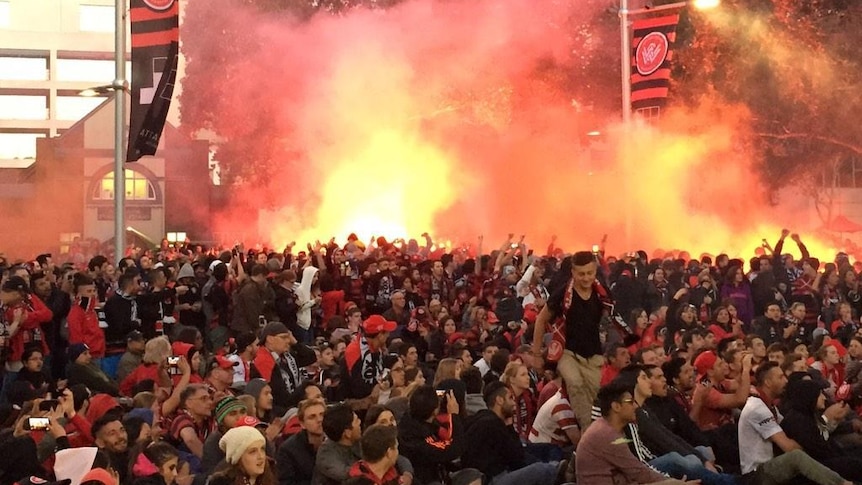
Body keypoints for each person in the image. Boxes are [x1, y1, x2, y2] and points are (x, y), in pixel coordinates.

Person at [532, 251, 613, 431]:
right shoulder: (562, 294)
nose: (586, 278)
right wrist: (536, 354)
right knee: (575, 384)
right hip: (566, 351)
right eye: (581, 274)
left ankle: (599, 432)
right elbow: (541, 319)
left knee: (595, 396)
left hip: (593, 354)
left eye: (590, 273)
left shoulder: (601, 293)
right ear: (573, 273)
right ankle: (588, 434)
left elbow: (612, 319)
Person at [737, 361, 852, 485]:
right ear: (768, 382)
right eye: (780, 377)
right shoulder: (756, 408)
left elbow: (788, 429)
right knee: (797, 456)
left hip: (773, 466)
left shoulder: (770, 407)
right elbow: (788, 446)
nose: (786, 381)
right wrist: (811, 447)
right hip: (757, 473)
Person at [575, 382, 694, 485]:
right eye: (630, 402)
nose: (636, 406)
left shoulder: (609, 428)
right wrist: (675, 483)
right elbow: (639, 472)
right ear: (616, 406)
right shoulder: (606, 435)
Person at [462, 381, 557, 485]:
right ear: (499, 400)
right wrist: (509, 425)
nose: (513, 403)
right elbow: (517, 458)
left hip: (489, 475)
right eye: (510, 398)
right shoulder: (493, 424)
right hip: (492, 479)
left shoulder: (482, 418)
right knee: (543, 470)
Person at [780, 378, 862, 481]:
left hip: (823, 459)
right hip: (812, 469)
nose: (824, 398)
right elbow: (819, 450)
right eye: (819, 395)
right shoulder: (797, 420)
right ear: (810, 397)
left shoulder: (807, 414)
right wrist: (827, 418)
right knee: (853, 464)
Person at [397, 385, 466, 485]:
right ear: (434, 411)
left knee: (473, 474)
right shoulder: (414, 435)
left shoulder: (415, 421)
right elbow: (452, 450)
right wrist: (454, 416)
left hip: (440, 472)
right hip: (426, 480)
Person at [251, 322, 317, 416]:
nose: (288, 341)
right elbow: (281, 399)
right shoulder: (263, 361)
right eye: (283, 337)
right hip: (276, 412)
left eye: (288, 337)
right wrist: (306, 386)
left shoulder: (286, 357)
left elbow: (311, 357)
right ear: (270, 339)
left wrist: (295, 343)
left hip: (291, 406)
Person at [341, 315, 396, 402]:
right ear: (380, 335)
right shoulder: (354, 352)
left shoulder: (377, 347)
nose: (388, 335)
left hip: (374, 396)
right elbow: (358, 389)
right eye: (386, 332)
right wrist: (378, 386)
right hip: (356, 402)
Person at [277, 398, 326, 485]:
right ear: (302, 424)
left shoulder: (335, 441)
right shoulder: (287, 450)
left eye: (322, 415)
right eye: (312, 417)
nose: (319, 420)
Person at [209, 426, 275, 485]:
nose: (261, 456)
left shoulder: (271, 478)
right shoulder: (221, 483)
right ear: (238, 458)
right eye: (252, 452)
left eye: (262, 449)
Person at [201, 396, 248, 473]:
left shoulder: (256, 434)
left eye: (242, 412)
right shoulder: (213, 442)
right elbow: (212, 476)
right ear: (222, 420)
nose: (240, 417)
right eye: (233, 414)